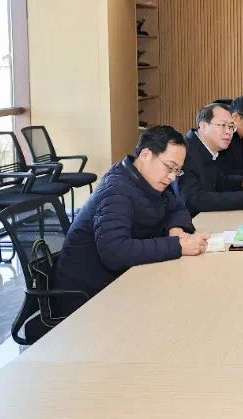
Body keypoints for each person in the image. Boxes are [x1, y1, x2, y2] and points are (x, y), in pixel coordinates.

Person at [52, 125, 208, 306]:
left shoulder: (147, 181)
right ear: (145, 155)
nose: (172, 177)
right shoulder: (116, 191)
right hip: (86, 297)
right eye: (169, 167)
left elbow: (178, 209)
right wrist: (178, 246)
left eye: (177, 171)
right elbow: (115, 251)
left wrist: (176, 229)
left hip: (121, 281)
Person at [178, 102, 243, 216]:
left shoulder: (208, 148)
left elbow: (219, 181)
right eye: (223, 125)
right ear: (203, 126)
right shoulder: (183, 151)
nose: (228, 132)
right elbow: (194, 199)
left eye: (231, 127)